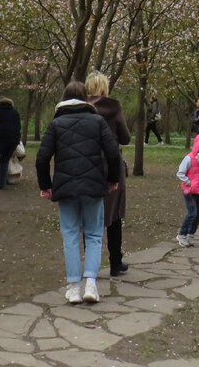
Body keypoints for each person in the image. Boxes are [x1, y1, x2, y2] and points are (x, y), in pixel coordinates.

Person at [36, 80, 120, 305]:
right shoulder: (98, 121)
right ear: (85, 98)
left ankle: (74, 287)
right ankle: (91, 283)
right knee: (93, 235)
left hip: (65, 187)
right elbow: (113, 152)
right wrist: (112, 179)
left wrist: (45, 186)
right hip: (93, 186)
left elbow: (43, 157)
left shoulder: (56, 124)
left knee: (70, 236)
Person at [86, 70, 131, 277]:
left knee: (90, 216)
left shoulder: (81, 110)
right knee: (114, 216)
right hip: (111, 166)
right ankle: (115, 262)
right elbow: (125, 137)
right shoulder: (114, 109)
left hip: (88, 166)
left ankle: (91, 265)